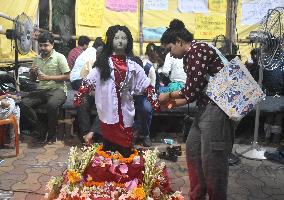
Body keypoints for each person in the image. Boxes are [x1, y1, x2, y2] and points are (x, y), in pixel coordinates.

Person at [159, 19, 234, 200]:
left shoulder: (197, 50)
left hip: (217, 110)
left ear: (178, 41)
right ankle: (197, 195)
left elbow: (191, 91)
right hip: (204, 109)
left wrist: (167, 96)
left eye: (169, 49)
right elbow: (195, 91)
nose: (170, 54)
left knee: (212, 162)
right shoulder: (191, 54)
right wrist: (170, 104)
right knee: (193, 152)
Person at [74, 25, 160, 157]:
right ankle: (111, 172)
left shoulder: (134, 66)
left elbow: (146, 84)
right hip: (107, 112)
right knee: (108, 147)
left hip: (126, 111)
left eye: (124, 38)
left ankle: (124, 173)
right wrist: (80, 95)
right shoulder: (102, 65)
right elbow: (88, 81)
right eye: (116, 38)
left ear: (128, 41)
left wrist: (154, 100)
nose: (120, 41)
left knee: (125, 147)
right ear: (110, 41)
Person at [20, 31, 70, 143]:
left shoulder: (59, 57)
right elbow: (33, 80)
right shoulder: (37, 59)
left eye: (46, 45)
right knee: (24, 103)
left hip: (58, 90)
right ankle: (41, 129)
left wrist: (48, 77)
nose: (43, 48)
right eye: (41, 45)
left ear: (52, 45)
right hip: (42, 90)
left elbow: (67, 76)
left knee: (51, 105)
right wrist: (32, 72)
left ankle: (52, 134)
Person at [70, 37, 104, 143]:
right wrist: (91, 92)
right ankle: (85, 134)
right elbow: (84, 84)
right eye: (98, 58)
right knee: (82, 101)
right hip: (93, 92)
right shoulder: (90, 63)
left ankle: (94, 133)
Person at [133, 43, 158, 147]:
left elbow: (151, 89)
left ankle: (145, 134)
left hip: (144, 95)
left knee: (146, 109)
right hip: (130, 95)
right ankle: (130, 133)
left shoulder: (150, 70)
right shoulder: (128, 69)